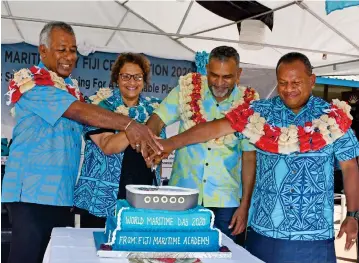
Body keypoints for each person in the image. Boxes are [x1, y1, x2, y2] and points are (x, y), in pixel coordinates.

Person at [148, 52, 359, 263]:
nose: (288, 89)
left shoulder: (333, 118)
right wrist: (170, 144)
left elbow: (350, 168)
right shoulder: (259, 113)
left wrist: (352, 215)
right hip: (265, 232)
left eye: (296, 82)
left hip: (315, 235)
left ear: (312, 81)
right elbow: (212, 129)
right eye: (283, 82)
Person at [1, 22, 162, 263]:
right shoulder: (33, 84)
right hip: (32, 194)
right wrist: (130, 125)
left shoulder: (70, 89)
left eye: (73, 50)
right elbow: (79, 112)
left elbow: (96, 129)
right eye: (61, 49)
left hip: (61, 195)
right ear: (43, 51)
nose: (69, 56)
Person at [146, 46, 257, 243]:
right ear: (206, 69)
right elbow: (158, 118)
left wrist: (245, 205)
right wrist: (150, 142)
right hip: (183, 195)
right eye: (214, 75)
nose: (220, 83)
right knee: (179, 254)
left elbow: (249, 156)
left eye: (227, 77)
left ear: (239, 74)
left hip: (226, 202)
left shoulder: (249, 103)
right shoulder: (187, 90)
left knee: (224, 255)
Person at [73, 53, 165, 227]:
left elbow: (157, 152)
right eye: (126, 76)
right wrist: (136, 127)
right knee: (97, 249)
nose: (132, 82)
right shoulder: (99, 104)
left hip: (141, 198)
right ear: (116, 78)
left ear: (144, 80)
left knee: (136, 252)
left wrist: (155, 150)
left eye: (138, 77)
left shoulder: (154, 109)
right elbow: (109, 146)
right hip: (100, 198)